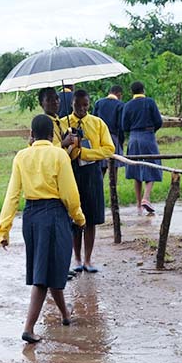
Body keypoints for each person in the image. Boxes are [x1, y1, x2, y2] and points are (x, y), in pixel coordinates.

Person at [0, 114, 85, 344]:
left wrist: (4, 228)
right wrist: (79, 217)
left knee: (50, 267)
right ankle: (28, 327)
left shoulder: (21, 156)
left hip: (31, 216)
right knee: (42, 276)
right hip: (54, 214)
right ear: (51, 134)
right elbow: (69, 193)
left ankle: (66, 315)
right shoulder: (59, 155)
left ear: (31, 134)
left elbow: (13, 194)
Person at [63, 89, 115, 274]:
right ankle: (76, 258)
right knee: (75, 217)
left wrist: (85, 153)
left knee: (91, 218)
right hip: (70, 173)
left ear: (89, 104)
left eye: (85, 105)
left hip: (92, 173)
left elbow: (108, 149)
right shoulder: (63, 124)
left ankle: (88, 259)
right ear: (72, 105)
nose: (82, 109)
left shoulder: (98, 123)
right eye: (78, 105)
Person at [37, 87, 78, 281]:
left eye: (56, 99)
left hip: (62, 172)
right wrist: (63, 143)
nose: (55, 103)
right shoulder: (44, 124)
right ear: (41, 103)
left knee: (63, 225)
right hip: (51, 180)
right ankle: (57, 268)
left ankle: (62, 265)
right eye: (50, 100)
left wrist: (72, 143)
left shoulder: (59, 122)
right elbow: (45, 150)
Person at [122, 81, 163, 215]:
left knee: (136, 168)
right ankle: (146, 197)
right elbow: (158, 121)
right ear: (143, 90)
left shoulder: (127, 105)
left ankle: (139, 204)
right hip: (148, 136)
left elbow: (124, 126)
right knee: (152, 165)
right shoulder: (150, 102)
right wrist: (150, 130)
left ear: (131, 92)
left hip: (133, 138)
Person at [93, 85, 125, 177]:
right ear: (119, 94)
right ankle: (113, 189)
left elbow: (93, 121)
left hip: (99, 138)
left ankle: (98, 188)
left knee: (101, 166)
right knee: (114, 166)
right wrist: (121, 141)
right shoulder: (120, 105)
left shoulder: (98, 103)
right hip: (113, 137)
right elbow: (120, 126)